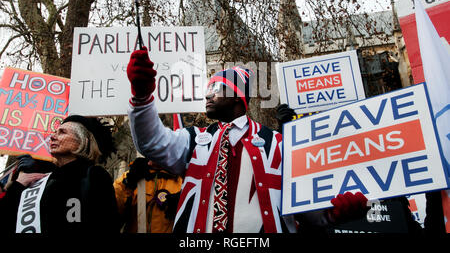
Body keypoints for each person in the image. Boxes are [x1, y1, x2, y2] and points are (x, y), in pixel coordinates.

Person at [126, 47, 368, 233]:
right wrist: (142, 96)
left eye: (217, 88)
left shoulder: (280, 144)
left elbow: (305, 208)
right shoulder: (195, 140)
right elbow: (152, 142)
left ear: (237, 97)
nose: (207, 94)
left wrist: (334, 214)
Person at [0, 115, 120, 233]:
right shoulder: (39, 181)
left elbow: (106, 225)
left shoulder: (94, 175)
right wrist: (17, 186)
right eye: (55, 132)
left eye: (62, 132)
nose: (52, 137)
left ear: (83, 141)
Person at [114, 157, 183, 233]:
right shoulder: (134, 173)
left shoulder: (182, 181)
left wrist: (182, 206)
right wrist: (127, 184)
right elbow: (113, 211)